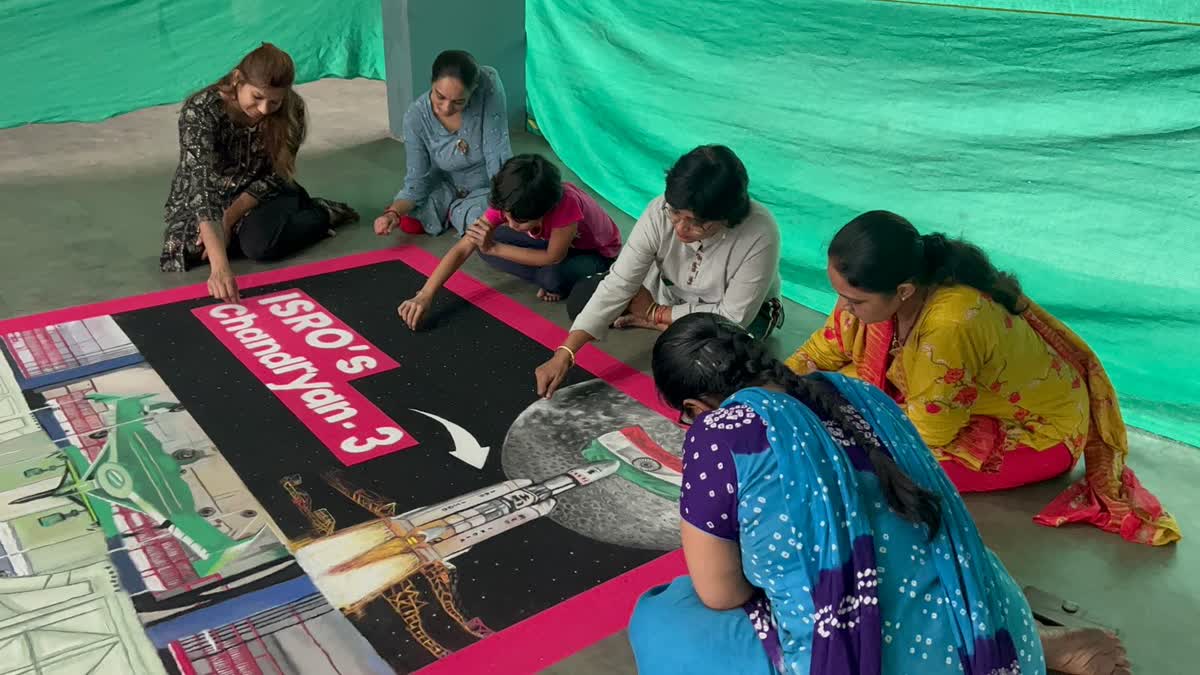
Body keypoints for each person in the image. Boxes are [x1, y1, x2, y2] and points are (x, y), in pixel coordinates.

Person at [628, 312, 1132, 675]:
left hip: (874, 658)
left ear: (696, 407)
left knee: (664, 616)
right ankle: (1041, 647)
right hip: (996, 635)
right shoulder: (859, 394)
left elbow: (723, 593)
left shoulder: (722, 432)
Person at [786, 210, 1179, 545]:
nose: (844, 309)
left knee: (865, 464)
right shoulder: (889, 290)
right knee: (826, 394)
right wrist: (772, 384)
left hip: (1033, 430)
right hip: (944, 397)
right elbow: (825, 349)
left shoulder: (951, 325)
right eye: (839, 295)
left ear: (904, 291)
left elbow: (927, 434)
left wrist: (832, 425)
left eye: (854, 301)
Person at [533, 145, 784, 398]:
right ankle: (666, 325)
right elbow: (619, 282)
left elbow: (733, 316)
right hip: (670, 294)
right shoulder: (659, 211)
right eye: (675, 213)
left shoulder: (760, 233)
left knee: (716, 359)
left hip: (736, 318)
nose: (681, 229)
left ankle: (658, 323)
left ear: (728, 217)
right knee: (582, 298)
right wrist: (565, 352)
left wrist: (656, 312)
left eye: (698, 223)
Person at [160, 43, 358, 302]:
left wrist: (228, 220)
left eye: (274, 101)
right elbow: (201, 187)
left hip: (265, 190)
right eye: (257, 97)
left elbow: (277, 174)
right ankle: (264, 228)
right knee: (184, 250)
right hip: (212, 192)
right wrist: (220, 268)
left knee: (260, 246)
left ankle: (322, 213)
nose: (265, 109)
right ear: (236, 80)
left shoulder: (291, 110)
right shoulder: (201, 110)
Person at [397, 154, 621, 329]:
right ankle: (546, 276)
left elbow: (553, 257)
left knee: (550, 276)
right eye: (507, 216)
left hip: (595, 254)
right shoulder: (510, 200)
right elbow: (465, 246)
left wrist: (495, 248)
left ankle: (553, 282)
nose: (510, 223)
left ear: (545, 211)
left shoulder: (566, 206)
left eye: (520, 221)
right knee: (481, 241)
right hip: (552, 243)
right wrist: (425, 295)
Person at [373, 50, 512, 237]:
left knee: (491, 220)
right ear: (432, 82)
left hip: (488, 186)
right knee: (409, 221)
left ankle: (460, 213)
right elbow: (417, 180)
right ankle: (457, 211)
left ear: (474, 89)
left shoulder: (488, 86)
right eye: (440, 96)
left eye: (459, 101)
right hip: (447, 184)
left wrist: (506, 202)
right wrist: (393, 213)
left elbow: (498, 155)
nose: (447, 108)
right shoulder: (415, 117)